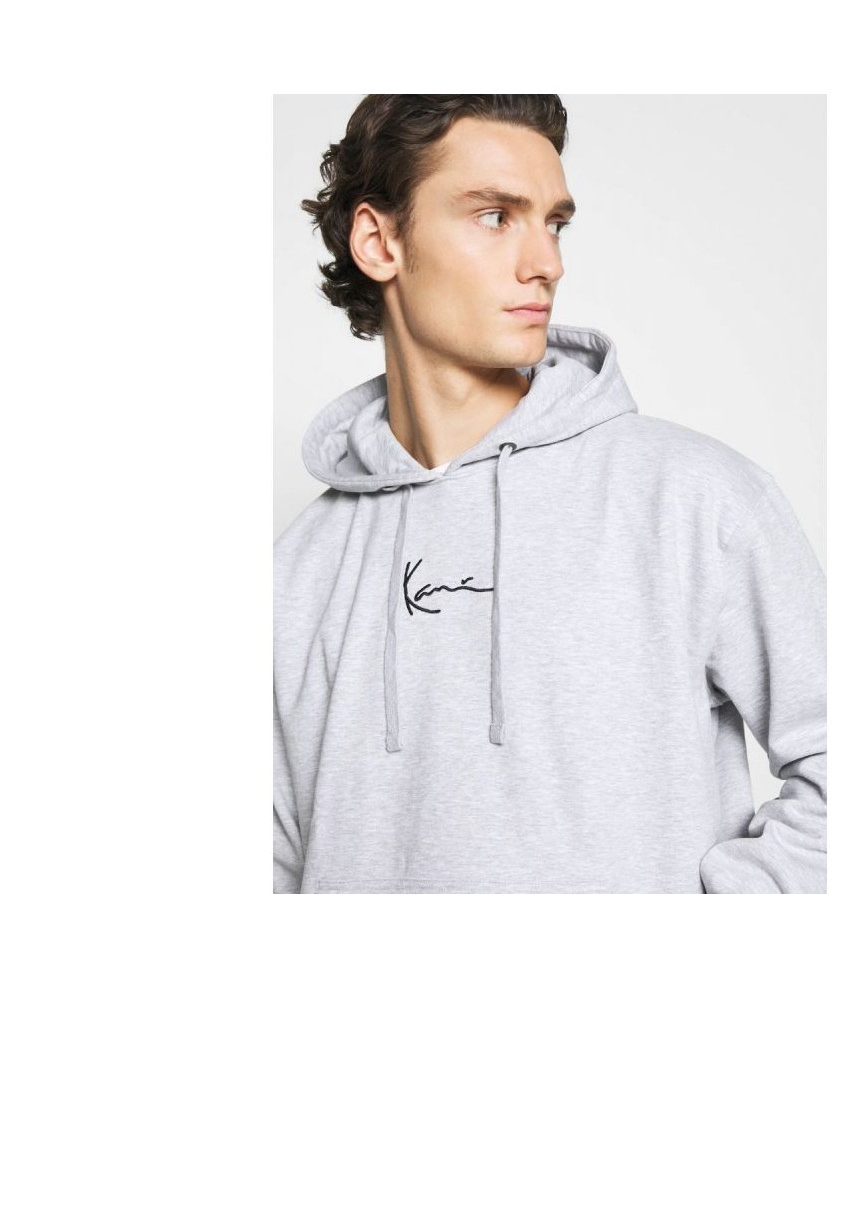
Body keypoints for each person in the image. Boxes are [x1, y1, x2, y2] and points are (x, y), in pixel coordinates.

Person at [274, 94, 826, 894]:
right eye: (496, 216)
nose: (547, 263)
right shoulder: (297, 572)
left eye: (554, 223)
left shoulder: (695, 501)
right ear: (380, 241)